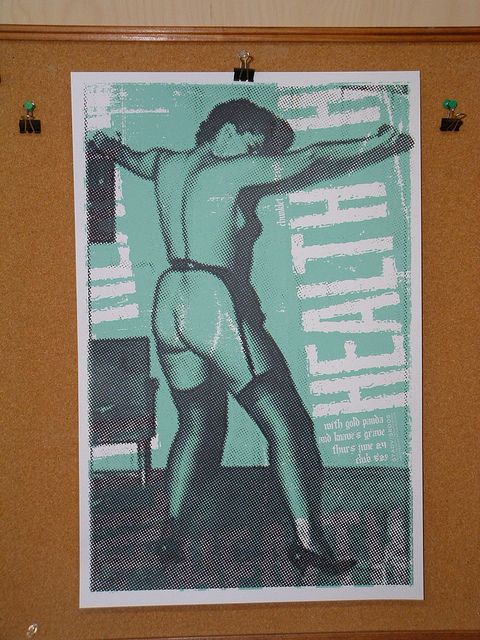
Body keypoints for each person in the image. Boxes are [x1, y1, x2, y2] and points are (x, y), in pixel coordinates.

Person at [91, 97, 413, 576]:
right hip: (212, 300)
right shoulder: (232, 172)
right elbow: (311, 159)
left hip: (169, 300)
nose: (256, 155)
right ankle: (308, 544)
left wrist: (105, 145)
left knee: (197, 421)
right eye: (252, 143)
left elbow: (126, 156)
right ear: (228, 131)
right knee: (286, 423)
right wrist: (375, 144)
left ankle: (169, 535)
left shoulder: (164, 164)